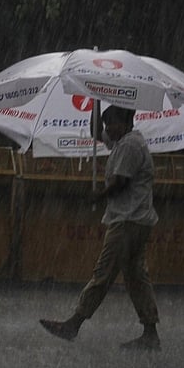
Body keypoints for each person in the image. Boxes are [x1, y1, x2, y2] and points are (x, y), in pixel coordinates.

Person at [39, 105, 161, 350]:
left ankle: (73, 324)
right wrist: (94, 101)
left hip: (127, 221)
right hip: (137, 220)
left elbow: (121, 182)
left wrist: (99, 195)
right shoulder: (122, 141)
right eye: (106, 125)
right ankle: (150, 333)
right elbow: (96, 132)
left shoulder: (129, 145)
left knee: (103, 273)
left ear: (125, 122)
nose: (107, 130)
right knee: (136, 277)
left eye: (111, 124)